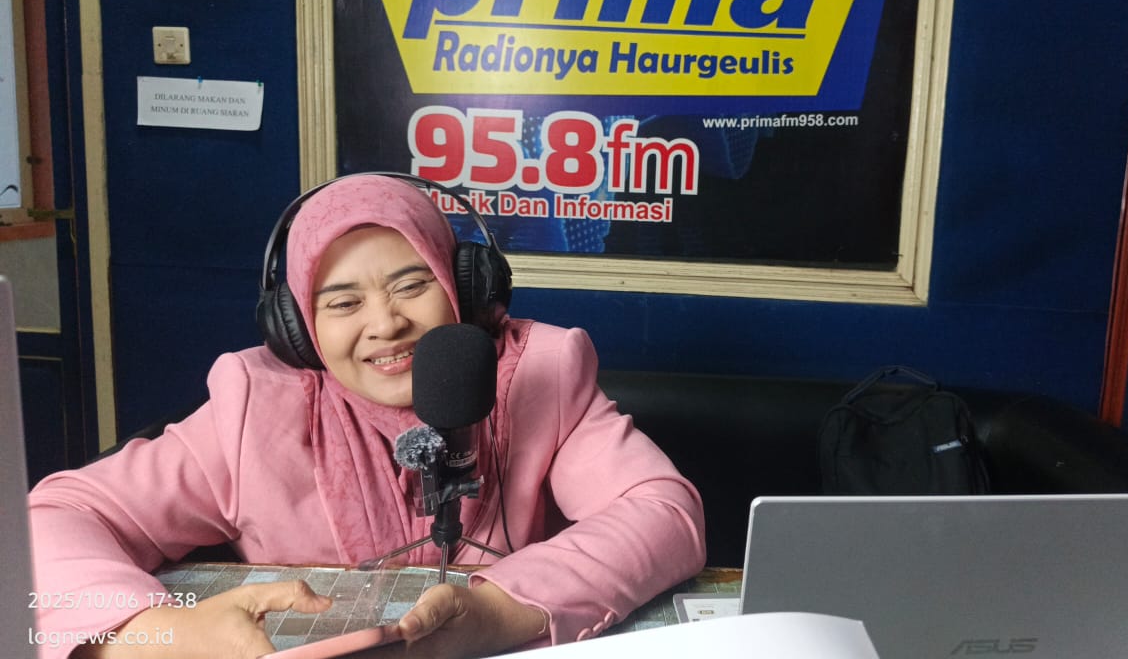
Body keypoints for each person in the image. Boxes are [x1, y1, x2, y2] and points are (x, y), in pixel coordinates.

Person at [27, 173, 707, 659]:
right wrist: (145, 635)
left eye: (413, 285)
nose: (386, 324)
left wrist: (498, 611)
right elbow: (54, 515)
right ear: (299, 327)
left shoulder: (541, 374)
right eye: (343, 303)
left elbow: (663, 511)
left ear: (463, 288)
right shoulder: (253, 408)